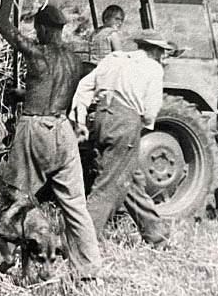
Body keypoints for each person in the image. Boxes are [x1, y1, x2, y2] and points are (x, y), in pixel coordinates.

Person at [0, 0, 102, 280]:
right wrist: (26, 93)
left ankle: (2, 261)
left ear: (41, 28)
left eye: (37, 28)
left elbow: (0, 22)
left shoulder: (37, 53)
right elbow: (53, 89)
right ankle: (88, 269)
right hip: (63, 130)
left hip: (35, 128)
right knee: (75, 205)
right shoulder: (74, 60)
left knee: (14, 196)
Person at [70, 29, 172, 248]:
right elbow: (151, 108)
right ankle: (79, 243)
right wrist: (143, 124)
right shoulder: (153, 67)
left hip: (101, 118)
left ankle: (157, 236)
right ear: (155, 51)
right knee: (108, 186)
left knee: (130, 180)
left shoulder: (113, 59)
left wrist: (80, 121)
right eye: (162, 52)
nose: (162, 56)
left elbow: (84, 87)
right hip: (125, 121)